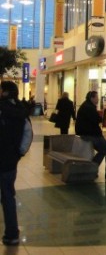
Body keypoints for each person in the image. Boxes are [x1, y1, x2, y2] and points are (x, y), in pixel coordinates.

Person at [0, 81, 28, 246]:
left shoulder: (2, 108)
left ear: (5, 92)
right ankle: (12, 234)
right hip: (10, 161)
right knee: (8, 196)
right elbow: (28, 134)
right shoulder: (21, 110)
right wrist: (18, 153)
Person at [75, 91, 106, 180]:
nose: (98, 99)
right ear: (92, 98)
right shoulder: (89, 107)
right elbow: (97, 120)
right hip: (91, 135)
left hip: (86, 133)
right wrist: (103, 112)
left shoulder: (86, 105)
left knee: (103, 150)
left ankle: (91, 170)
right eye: (96, 97)